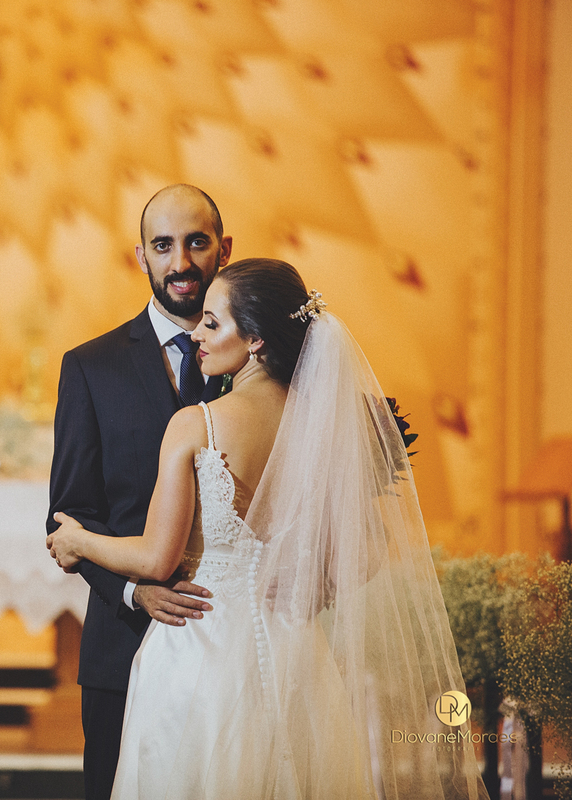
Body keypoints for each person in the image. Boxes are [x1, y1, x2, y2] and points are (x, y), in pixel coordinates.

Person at [47, 259, 488, 799]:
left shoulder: (196, 424)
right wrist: (314, 586)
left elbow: (157, 560)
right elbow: (370, 544)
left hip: (201, 646)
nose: (198, 336)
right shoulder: (324, 422)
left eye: (212, 323)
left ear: (254, 339)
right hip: (294, 653)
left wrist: (78, 540)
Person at [47, 184, 232, 800]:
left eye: (196, 243)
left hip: (231, 643)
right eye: (163, 246)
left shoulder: (263, 367)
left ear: (223, 251)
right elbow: (66, 518)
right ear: (141, 256)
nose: (180, 262)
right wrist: (135, 590)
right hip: (120, 651)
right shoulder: (90, 367)